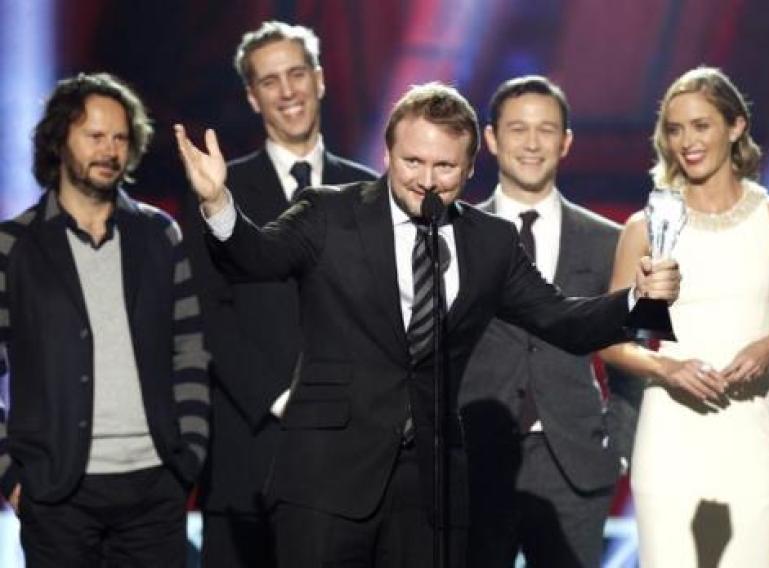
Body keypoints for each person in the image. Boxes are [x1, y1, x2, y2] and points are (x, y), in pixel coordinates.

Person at [174, 82, 680, 568]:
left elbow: (563, 320)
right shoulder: (329, 211)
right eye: (412, 161)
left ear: (470, 167)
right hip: (327, 475)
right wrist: (218, 203)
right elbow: (254, 258)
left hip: (429, 488)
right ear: (388, 153)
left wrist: (638, 298)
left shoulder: (490, 241)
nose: (426, 180)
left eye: (444, 166)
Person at [600, 66, 769, 567]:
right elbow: (610, 340)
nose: (687, 141)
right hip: (670, 430)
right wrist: (668, 367)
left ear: (736, 126)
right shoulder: (647, 226)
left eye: (701, 125)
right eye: (675, 129)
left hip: (752, 428)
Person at [181, 21, 377, 568]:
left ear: (320, 79)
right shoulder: (217, 189)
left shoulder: (368, 190)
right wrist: (280, 396)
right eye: (270, 81)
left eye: (296, 74)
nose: (287, 91)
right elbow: (206, 314)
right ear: (252, 96)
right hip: (249, 448)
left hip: (348, 452)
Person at [0, 72, 210, 567]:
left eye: (120, 138)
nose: (110, 150)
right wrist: (10, 475)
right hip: (56, 494)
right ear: (59, 140)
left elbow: (190, 350)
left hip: (155, 488)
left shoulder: (160, 235)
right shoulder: (14, 246)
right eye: (95, 136)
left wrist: (189, 456)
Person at [459, 75, 642, 567]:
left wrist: (618, 446)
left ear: (566, 142)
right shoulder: (455, 234)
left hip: (575, 463)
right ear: (491, 138)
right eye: (518, 129)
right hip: (476, 458)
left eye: (546, 129)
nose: (532, 143)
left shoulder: (609, 240)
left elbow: (634, 357)